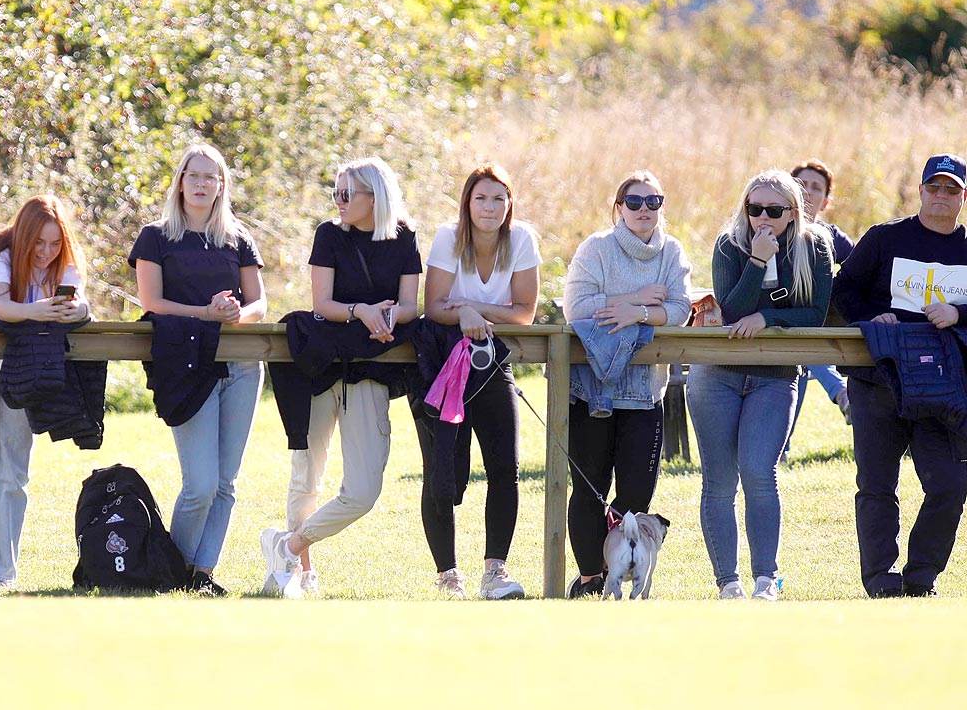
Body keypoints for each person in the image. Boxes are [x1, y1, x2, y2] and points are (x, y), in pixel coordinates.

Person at [832, 153, 967, 598]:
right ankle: (881, 580)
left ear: (964, 196)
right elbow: (843, 289)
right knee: (876, 485)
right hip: (879, 381)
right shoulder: (884, 238)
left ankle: (921, 576)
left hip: (944, 388)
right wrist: (876, 317)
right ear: (921, 191)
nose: (941, 196)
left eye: (951, 190)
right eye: (934, 188)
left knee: (949, 487)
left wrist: (958, 313)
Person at [261, 157, 421, 598]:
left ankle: (288, 546)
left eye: (348, 193)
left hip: (370, 370)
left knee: (364, 491)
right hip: (319, 366)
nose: (339, 200)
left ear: (376, 196)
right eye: (336, 191)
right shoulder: (329, 234)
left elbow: (411, 306)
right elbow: (322, 303)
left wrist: (389, 314)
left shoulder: (404, 237)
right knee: (305, 475)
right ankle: (298, 573)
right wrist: (362, 311)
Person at [689, 170, 833, 601]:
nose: (763, 218)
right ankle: (727, 583)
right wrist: (756, 259)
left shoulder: (815, 247)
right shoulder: (730, 243)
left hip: (775, 377)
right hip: (718, 375)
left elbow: (817, 314)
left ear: (793, 212)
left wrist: (769, 319)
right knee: (719, 480)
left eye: (774, 210)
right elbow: (731, 312)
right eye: (755, 209)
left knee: (758, 471)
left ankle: (766, 579)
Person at [130, 144, 266, 597]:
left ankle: (201, 574)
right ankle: (172, 570)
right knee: (201, 484)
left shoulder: (237, 237)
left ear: (222, 185)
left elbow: (259, 303)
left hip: (242, 367)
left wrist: (234, 315)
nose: (203, 184)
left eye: (213, 177)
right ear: (180, 181)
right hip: (186, 364)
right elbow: (152, 303)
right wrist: (205, 316)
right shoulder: (155, 236)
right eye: (195, 175)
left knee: (226, 483)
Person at [560, 171, 692, 597]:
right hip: (591, 388)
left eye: (653, 202)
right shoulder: (595, 249)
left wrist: (633, 312)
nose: (643, 210)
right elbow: (576, 308)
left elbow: (681, 310)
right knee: (589, 487)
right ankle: (589, 578)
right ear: (618, 207)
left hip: (646, 391)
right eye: (634, 202)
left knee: (635, 495)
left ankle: (613, 567)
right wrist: (643, 299)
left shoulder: (671, 252)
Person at [418, 164, 541, 600]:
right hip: (443, 362)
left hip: (493, 363)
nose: (489, 207)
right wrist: (462, 313)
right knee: (443, 468)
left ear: (509, 205)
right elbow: (434, 306)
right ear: (467, 203)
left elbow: (525, 312)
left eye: (498, 199)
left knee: (505, 468)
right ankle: (448, 576)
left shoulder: (521, 239)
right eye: (481, 198)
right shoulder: (448, 238)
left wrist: (470, 306)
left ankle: (495, 571)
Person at [0, 195, 89, 589]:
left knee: (13, 471)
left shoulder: (65, 261)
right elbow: (0, 307)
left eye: (54, 243)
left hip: (26, 371)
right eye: (39, 243)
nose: (46, 252)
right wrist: (42, 310)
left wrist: (75, 311)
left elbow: (79, 304)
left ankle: (4, 573)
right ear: (24, 236)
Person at [785, 160, 854, 448]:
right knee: (798, 348)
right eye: (801, 185)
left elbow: (862, 270)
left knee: (803, 347)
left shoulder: (832, 236)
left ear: (825, 200)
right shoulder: (772, 230)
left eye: (816, 188)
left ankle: (781, 447)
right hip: (777, 327)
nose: (807, 192)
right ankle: (841, 394)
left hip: (819, 329)